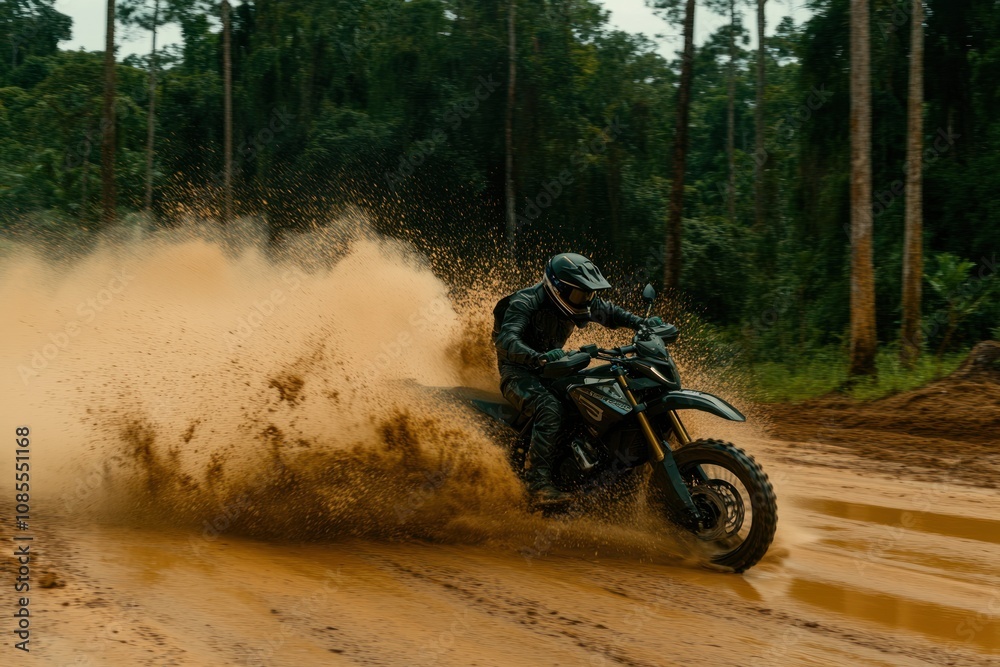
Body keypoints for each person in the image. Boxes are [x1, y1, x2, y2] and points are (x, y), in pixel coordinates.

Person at [492, 253, 663, 505]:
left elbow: (610, 312)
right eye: (580, 294)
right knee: (549, 408)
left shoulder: (581, 301)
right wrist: (538, 358)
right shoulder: (525, 302)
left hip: (554, 367)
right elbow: (507, 340)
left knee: (589, 395)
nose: (586, 300)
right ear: (557, 288)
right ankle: (537, 484)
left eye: (589, 294)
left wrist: (642, 324)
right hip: (519, 372)